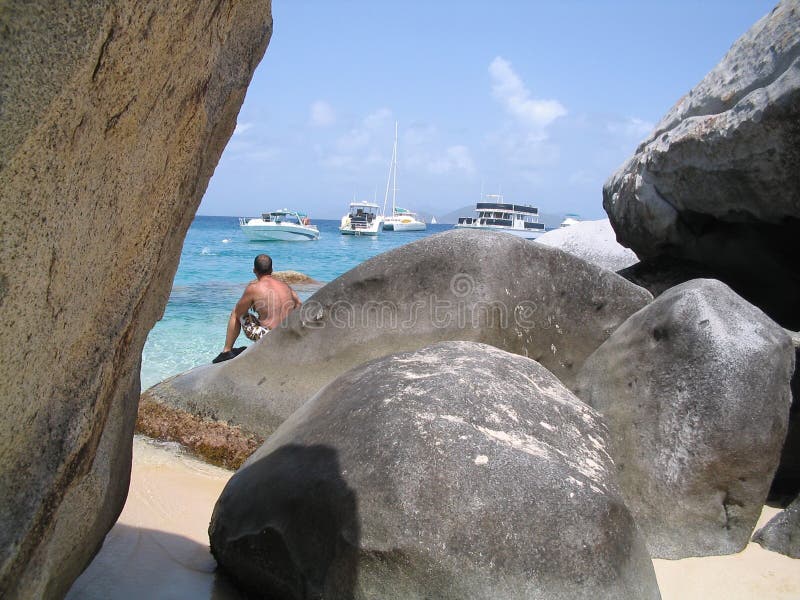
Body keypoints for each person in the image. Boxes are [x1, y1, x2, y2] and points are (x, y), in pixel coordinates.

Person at [212, 254, 302, 364]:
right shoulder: (285, 286)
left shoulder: (254, 288)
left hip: (269, 337)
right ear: (271, 270)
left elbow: (239, 312)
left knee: (236, 312)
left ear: (254, 270)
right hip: (287, 333)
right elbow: (299, 304)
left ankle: (226, 351)